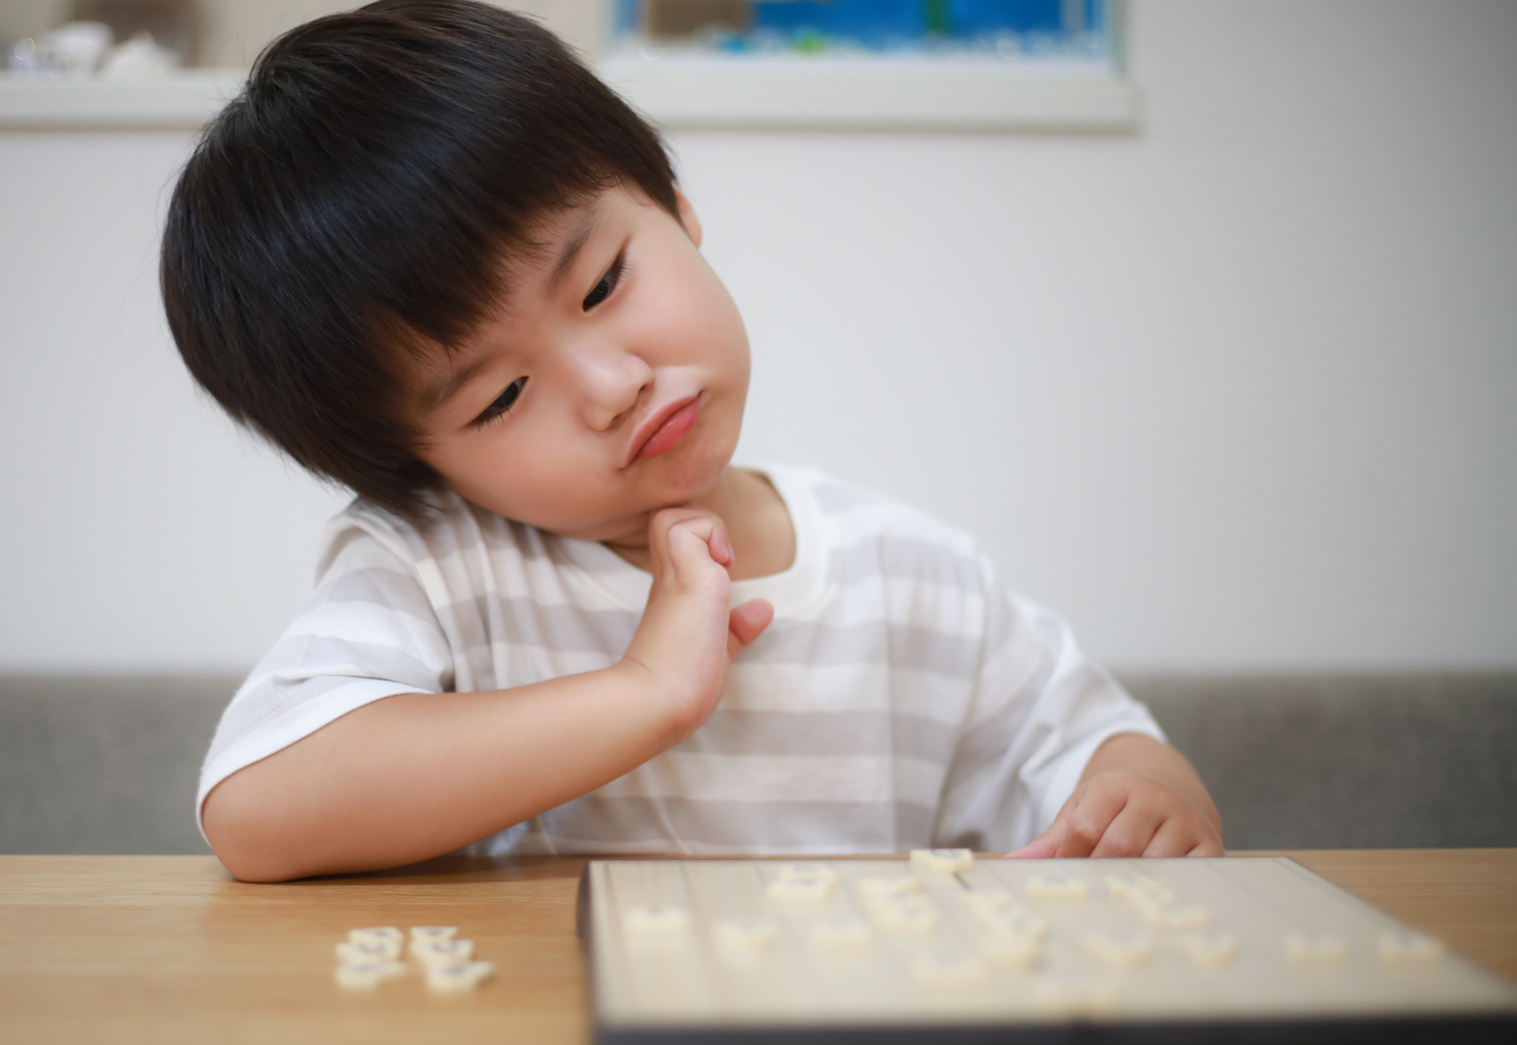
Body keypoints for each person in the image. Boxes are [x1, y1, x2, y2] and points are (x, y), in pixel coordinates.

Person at [160, 0, 1222, 882]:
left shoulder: (914, 577)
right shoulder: (442, 569)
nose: (611, 386)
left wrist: (1147, 795)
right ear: (414, 466)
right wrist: (645, 693)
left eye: (603, 283)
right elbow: (259, 809)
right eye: (498, 398)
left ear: (675, 204)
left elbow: (1095, 748)